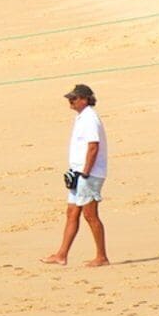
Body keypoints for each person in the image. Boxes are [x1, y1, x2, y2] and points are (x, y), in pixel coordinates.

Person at [48, 84, 110, 267]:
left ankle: (102, 256)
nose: (70, 101)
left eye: (74, 99)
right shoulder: (82, 117)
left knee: (90, 214)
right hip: (79, 172)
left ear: (84, 99)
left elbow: (93, 146)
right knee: (72, 213)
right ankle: (61, 254)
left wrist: (86, 171)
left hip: (88, 173)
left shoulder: (90, 118)